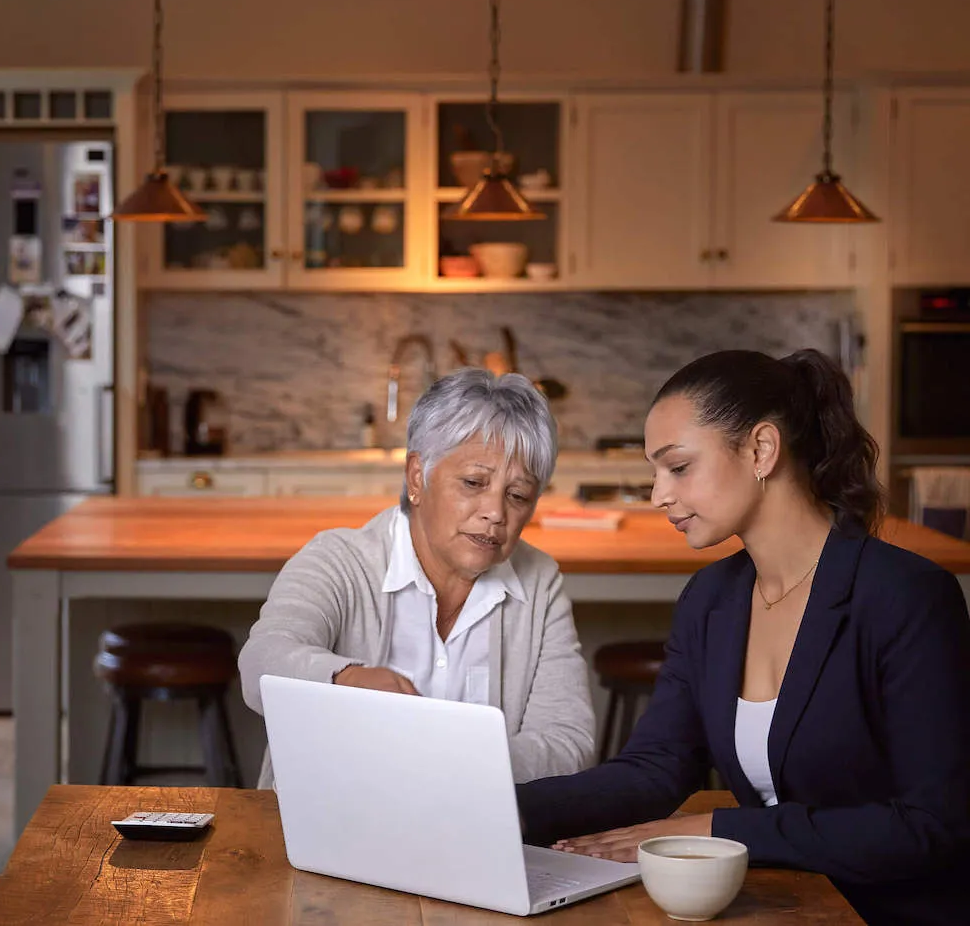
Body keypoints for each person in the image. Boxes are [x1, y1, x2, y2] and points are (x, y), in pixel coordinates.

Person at [517, 349, 970, 926]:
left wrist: (718, 828)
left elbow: (932, 824)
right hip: (780, 905)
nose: (658, 495)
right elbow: (655, 769)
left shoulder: (907, 597)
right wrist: (503, 808)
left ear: (761, 449)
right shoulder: (711, 600)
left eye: (678, 467)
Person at [239, 368, 594, 789]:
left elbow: (569, 743)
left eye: (517, 495)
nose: (496, 512)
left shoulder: (539, 582)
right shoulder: (338, 559)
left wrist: (443, 760)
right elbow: (261, 661)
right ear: (416, 478)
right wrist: (345, 680)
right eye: (473, 483)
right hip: (326, 829)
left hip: (474, 836)